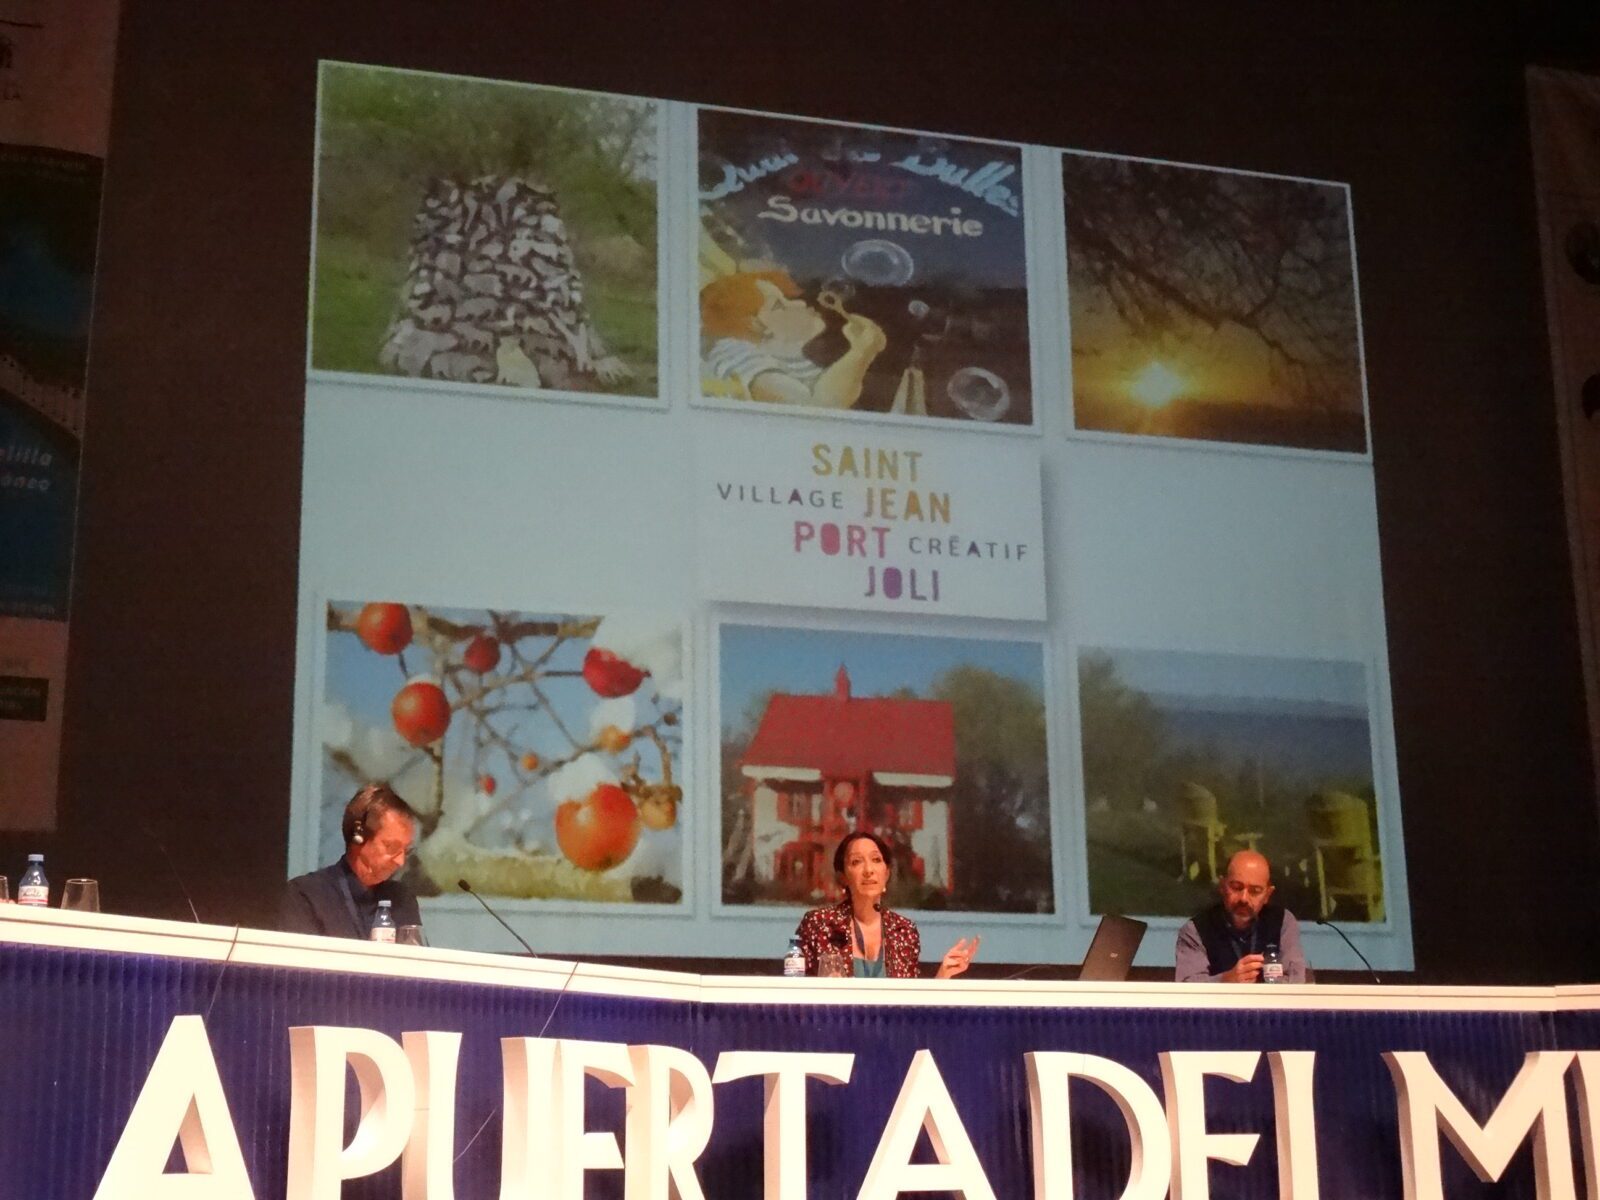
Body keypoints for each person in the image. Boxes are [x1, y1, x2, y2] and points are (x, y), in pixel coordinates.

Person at [795, 831, 978, 979]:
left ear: (886, 873)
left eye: (876, 860)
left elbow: (910, 1006)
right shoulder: (819, 924)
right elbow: (795, 993)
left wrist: (943, 975)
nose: (868, 870)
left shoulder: (904, 930)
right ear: (843, 877)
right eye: (856, 862)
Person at [700, 269, 886, 409]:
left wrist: (864, 351)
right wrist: (861, 352)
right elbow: (816, 408)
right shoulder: (732, 351)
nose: (799, 303)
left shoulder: (786, 353)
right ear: (754, 324)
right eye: (779, 305)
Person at [280, 783, 422, 939]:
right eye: (391, 847)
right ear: (358, 837)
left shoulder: (402, 900)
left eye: (406, 851)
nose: (400, 862)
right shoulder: (307, 895)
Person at [1174, 849, 1307, 983]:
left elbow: (1295, 980)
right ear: (1222, 886)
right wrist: (1225, 980)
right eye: (1236, 887)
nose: (1244, 899)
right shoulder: (1195, 930)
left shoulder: (1283, 921)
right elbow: (1187, 986)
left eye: (1255, 891)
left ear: (1267, 894)